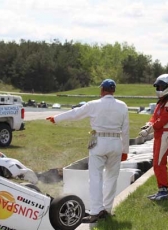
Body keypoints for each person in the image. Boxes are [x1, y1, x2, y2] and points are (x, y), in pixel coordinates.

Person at [46, 79, 129, 223]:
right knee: (111, 178)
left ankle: (96, 210)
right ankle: (107, 209)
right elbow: (126, 129)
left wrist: (56, 118)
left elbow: (75, 113)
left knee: (95, 178)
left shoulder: (94, 104)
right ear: (113, 91)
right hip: (116, 142)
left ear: (102, 90)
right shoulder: (122, 106)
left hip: (99, 142)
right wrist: (125, 149)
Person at [139, 74, 168, 201]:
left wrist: (150, 129)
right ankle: (161, 190)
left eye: (161, 86)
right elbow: (154, 118)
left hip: (166, 134)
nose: (159, 89)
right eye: (158, 86)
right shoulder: (162, 103)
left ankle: (163, 191)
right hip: (160, 134)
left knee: (159, 163)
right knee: (157, 162)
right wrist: (148, 125)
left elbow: (162, 120)